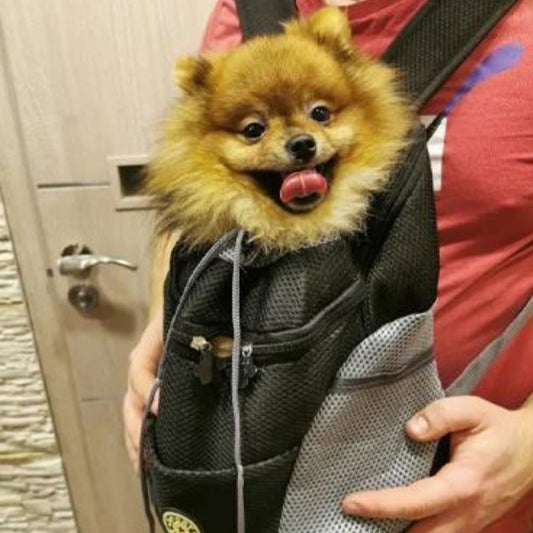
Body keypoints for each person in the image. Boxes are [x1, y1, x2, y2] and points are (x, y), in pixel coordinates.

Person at [123, 1, 533, 532]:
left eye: (320, 114)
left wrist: (527, 443)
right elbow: (191, 210)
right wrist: (170, 323)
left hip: (486, 494)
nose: (299, 141)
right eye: (254, 129)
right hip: (268, 481)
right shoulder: (247, 9)